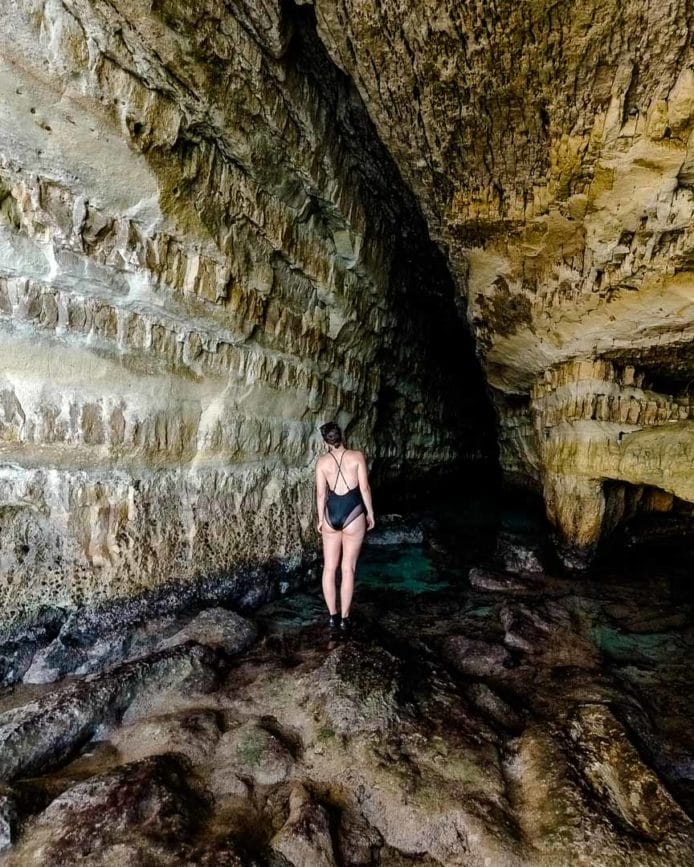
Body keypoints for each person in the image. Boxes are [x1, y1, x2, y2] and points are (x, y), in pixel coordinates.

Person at [315, 421, 375, 630]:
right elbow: (364, 488)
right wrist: (370, 513)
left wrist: (321, 519)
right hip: (353, 512)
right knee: (347, 568)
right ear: (342, 436)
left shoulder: (322, 462)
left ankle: (332, 616)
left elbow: (321, 493)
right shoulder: (357, 456)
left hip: (331, 513)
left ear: (326, 442)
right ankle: (345, 619)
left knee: (329, 568)